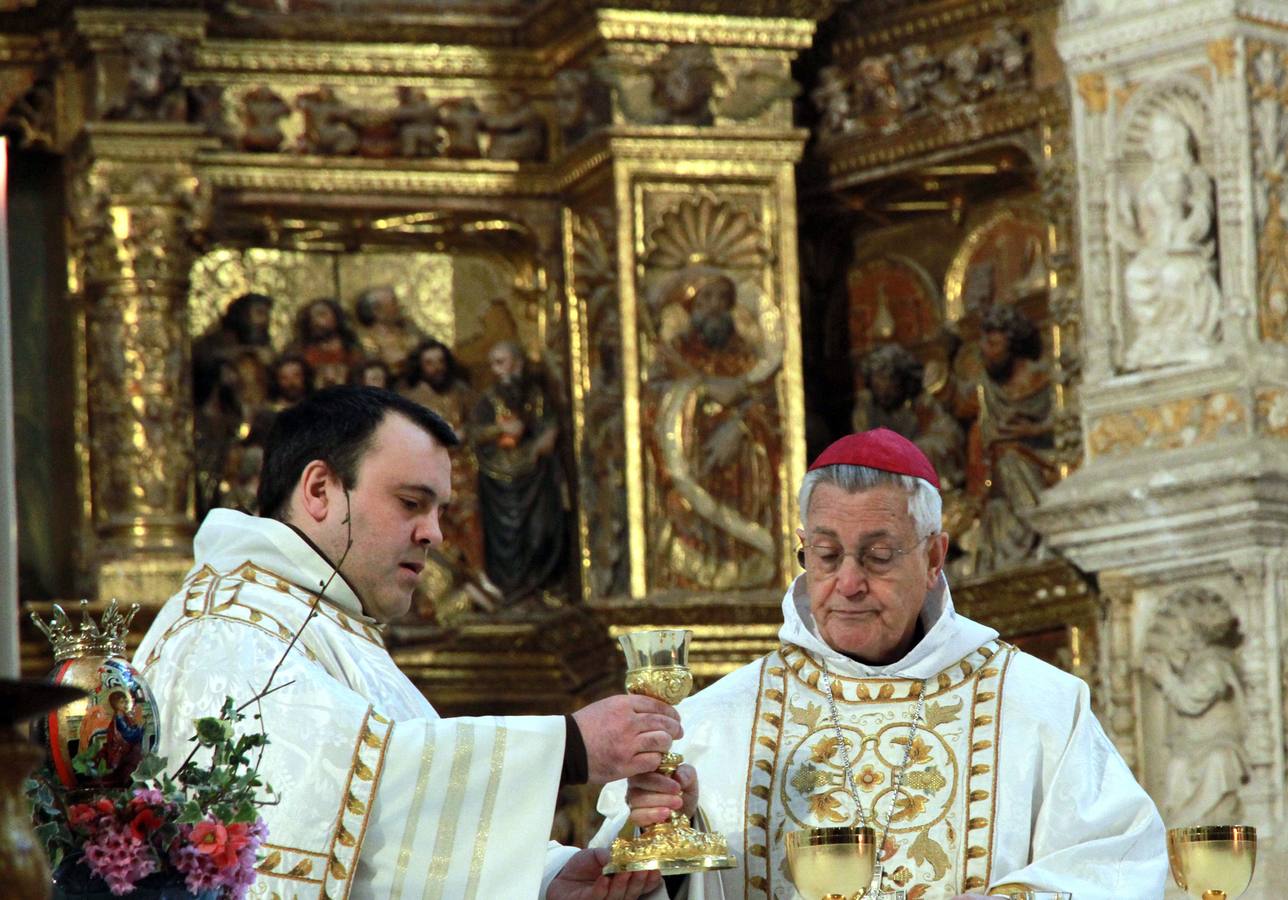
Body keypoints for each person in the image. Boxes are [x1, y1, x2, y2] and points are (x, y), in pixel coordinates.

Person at [135, 386, 679, 898]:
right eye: (411, 502)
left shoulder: (320, 617)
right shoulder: (231, 625)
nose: (434, 534)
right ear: (321, 490)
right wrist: (570, 747)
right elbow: (335, 787)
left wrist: (548, 880)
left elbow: (389, 845)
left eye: (439, 510)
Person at [578, 428, 1167, 899]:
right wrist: (677, 857)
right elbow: (619, 879)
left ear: (934, 555)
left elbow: (1120, 859)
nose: (848, 583)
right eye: (827, 555)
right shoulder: (715, 719)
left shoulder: (1039, 704)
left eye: (878, 556)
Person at [471, 341, 568, 604]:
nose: (497, 370)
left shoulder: (535, 395)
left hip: (534, 475)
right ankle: (510, 591)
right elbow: (474, 433)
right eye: (493, 364)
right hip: (498, 478)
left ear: (518, 362)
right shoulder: (488, 399)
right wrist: (500, 430)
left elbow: (550, 423)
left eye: (501, 362)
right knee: (505, 538)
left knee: (540, 532)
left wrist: (546, 437)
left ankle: (538, 587)